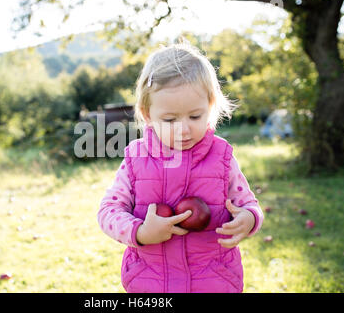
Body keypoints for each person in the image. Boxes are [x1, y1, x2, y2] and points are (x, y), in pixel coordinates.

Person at [97, 41, 263, 293]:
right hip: (151, 282)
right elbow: (108, 211)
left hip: (213, 279)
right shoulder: (135, 159)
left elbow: (247, 203)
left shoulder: (223, 156)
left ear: (210, 106)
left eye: (195, 116)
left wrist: (248, 219)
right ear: (148, 113)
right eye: (170, 119)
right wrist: (140, 232)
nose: (184, 129)